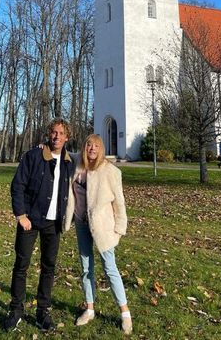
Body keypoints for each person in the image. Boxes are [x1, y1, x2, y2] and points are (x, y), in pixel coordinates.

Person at [3, 118, 75, 332]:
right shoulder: (34, 156)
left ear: (67, 137)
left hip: (53, 224)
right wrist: (21, 215)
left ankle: (42, 311)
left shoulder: (68, 161)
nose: (57, 136)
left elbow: (92, 159)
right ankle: (16, 310)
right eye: (54, 132)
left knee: (48, 267)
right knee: (21, 265)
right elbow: (18, 186)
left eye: (61, 133)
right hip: (31, 220)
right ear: (48, 133)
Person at [65, 134, 132, 335]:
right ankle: (90, 308)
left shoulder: (110, 171)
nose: (92, 148)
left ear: (101, 149)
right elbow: (63, 153)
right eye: (88, 145)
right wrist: (46, 146)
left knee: (110, 268)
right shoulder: (78, 163)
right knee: (86, 268)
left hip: (102, 227)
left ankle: (125, 313)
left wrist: (120, 227)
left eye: (96, 146)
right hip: (81, 223)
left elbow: (119, 202)